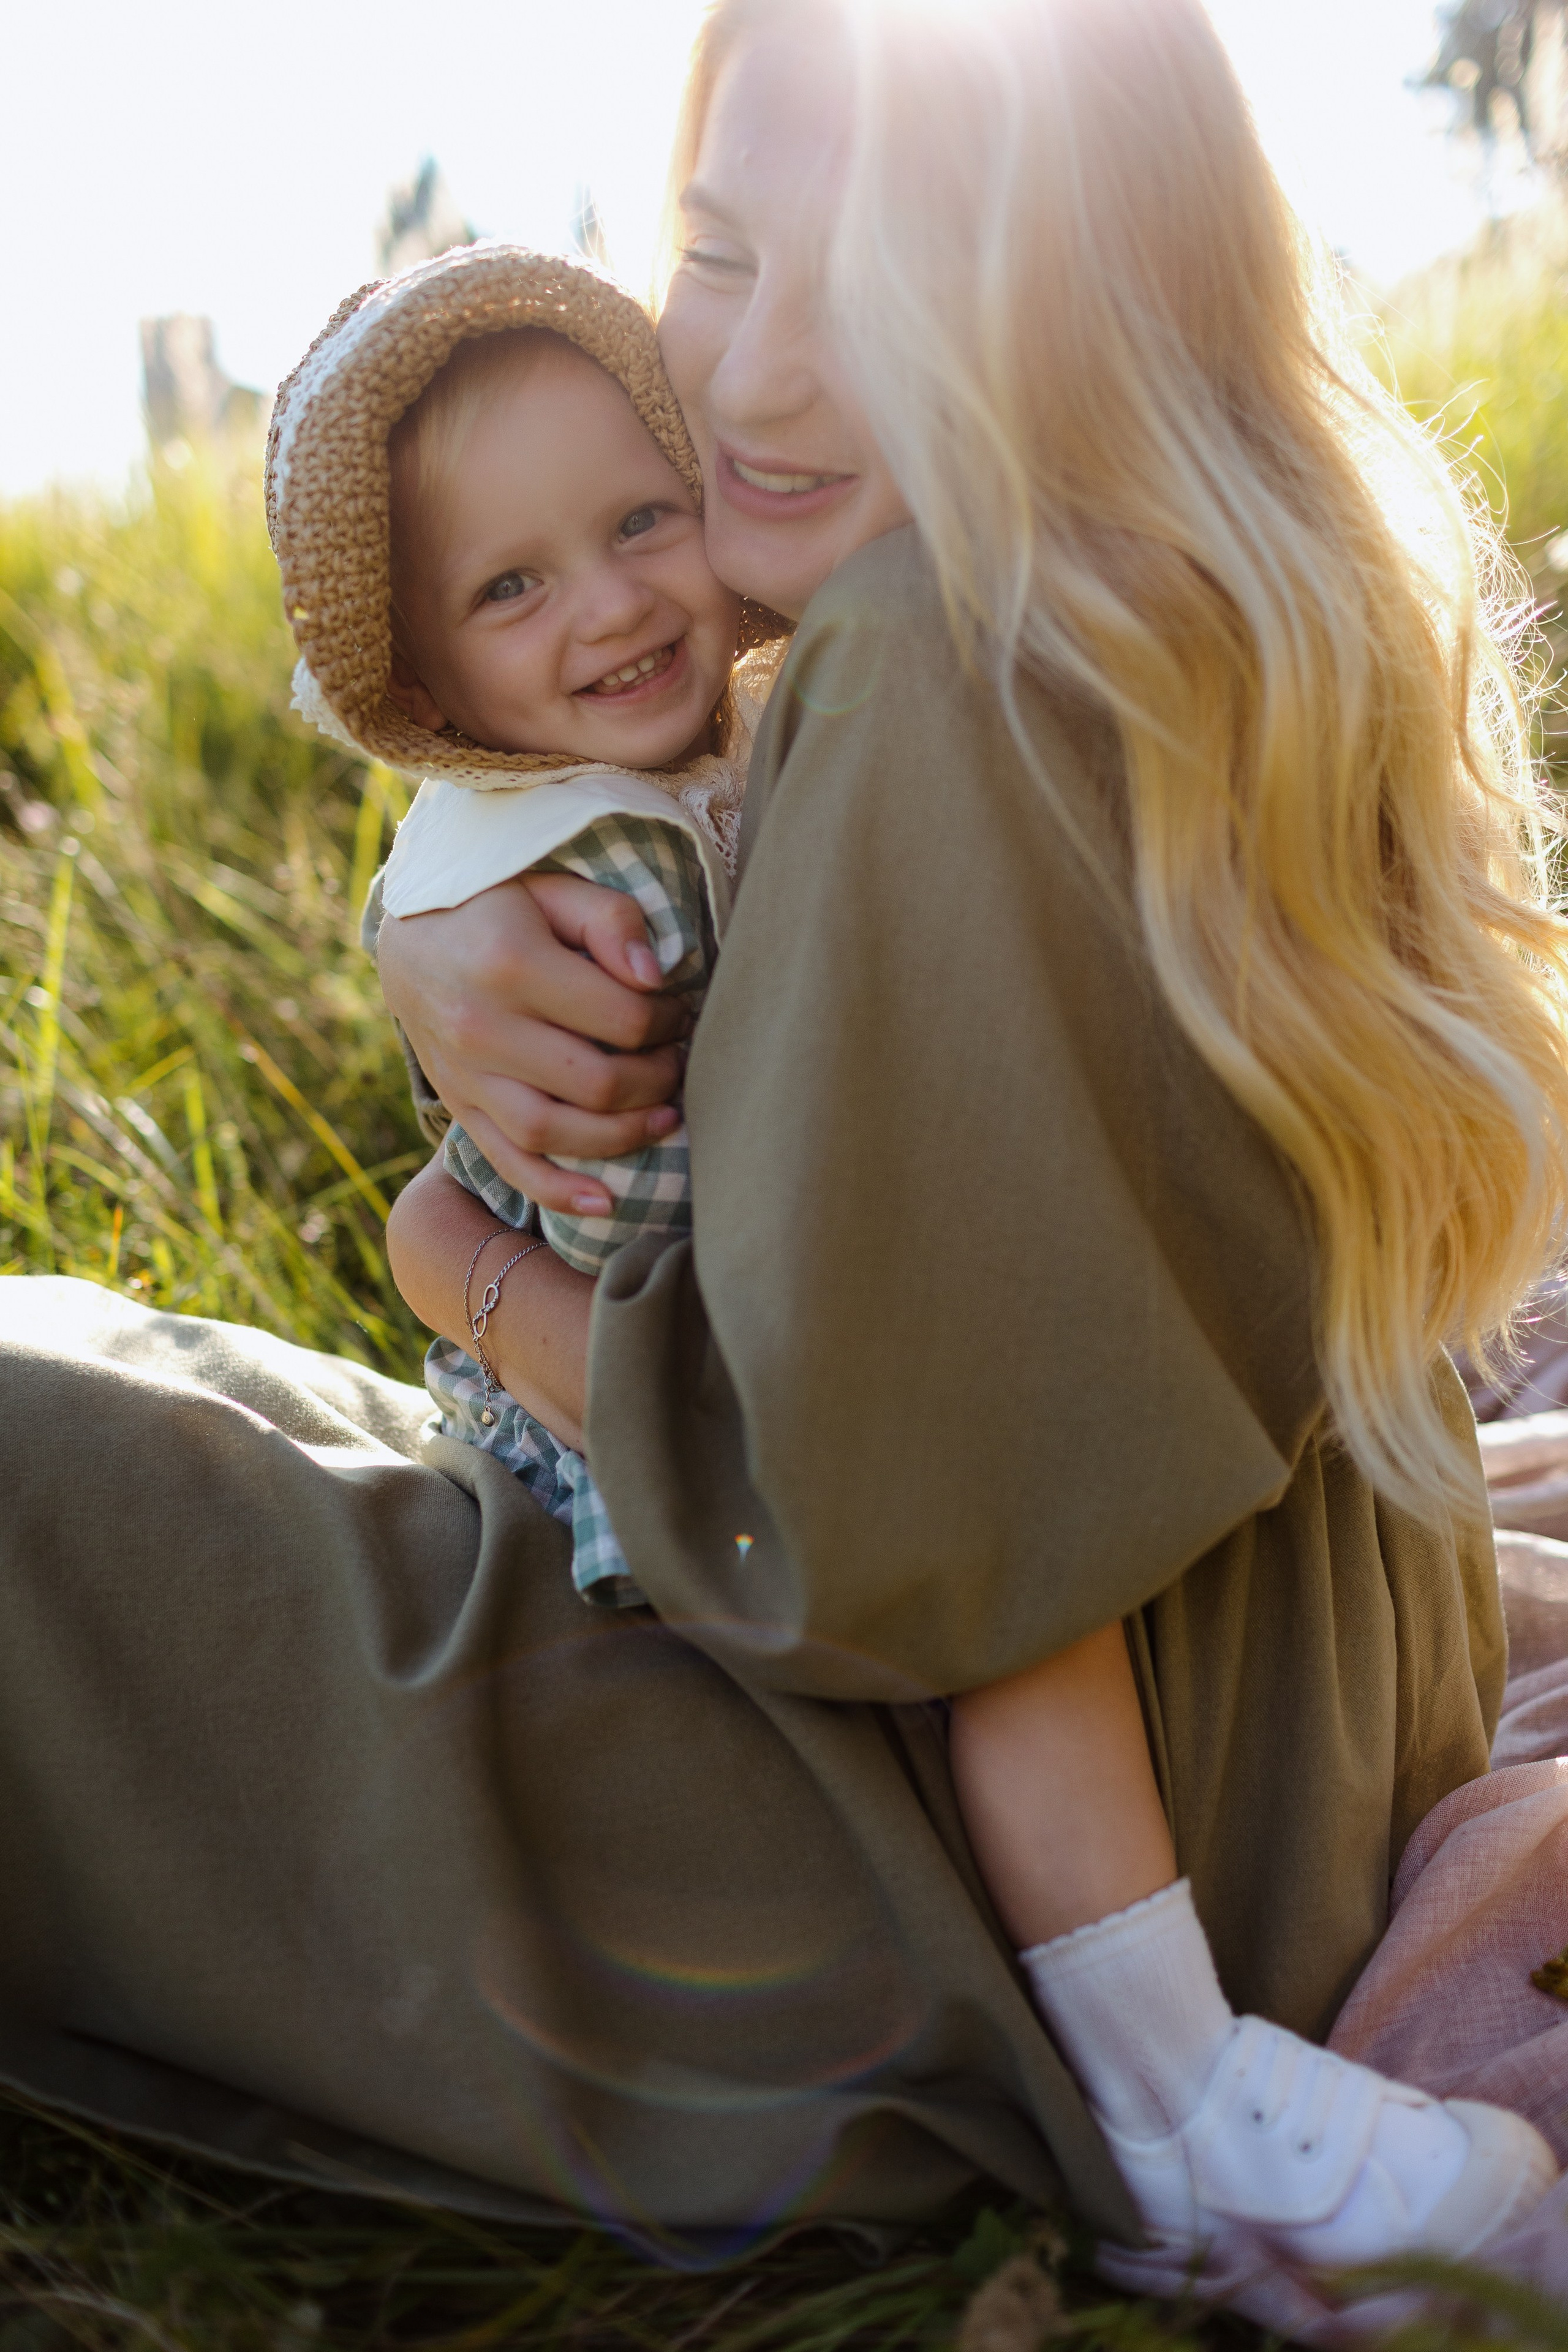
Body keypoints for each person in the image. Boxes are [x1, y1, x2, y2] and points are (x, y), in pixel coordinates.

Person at [0, 0, 1564, 2338]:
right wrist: (438, 929)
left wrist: (453, 1270)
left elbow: (863, 1548)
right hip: (1273, 1698)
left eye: (898, 278)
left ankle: (1180, 2126)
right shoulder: (1136, 592)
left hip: (1039, 1848)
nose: (750, 383)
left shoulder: (927, 663)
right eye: (724, 250)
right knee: (104, 1401)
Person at [269, 241, 783, 1603]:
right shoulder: (593, 885)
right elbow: (620, 1203)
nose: (611, 604)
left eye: (639, 521)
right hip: (633, 1469)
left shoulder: (730, 749)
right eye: (510, 586)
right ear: (426, 691)